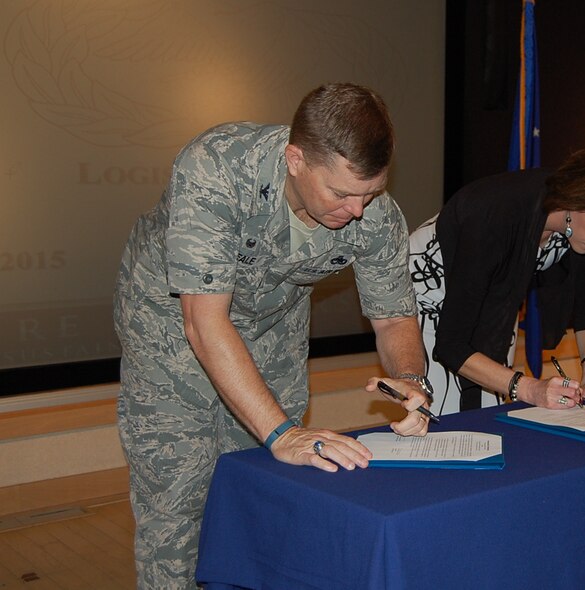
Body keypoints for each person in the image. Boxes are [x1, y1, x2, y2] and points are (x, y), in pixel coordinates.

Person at [113, 83, 432, 589]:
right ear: (295, 159)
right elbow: (204, 322)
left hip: (272, 327)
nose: (357, 210)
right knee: (178, 498)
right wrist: (283, 431)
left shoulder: (375, 217)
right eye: (344, 193)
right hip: (172, 325)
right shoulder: (216, 168)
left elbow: (394, 318)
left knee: (268, 484)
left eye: (371, 192)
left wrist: (410, 379)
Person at [409, 146, 585, 416]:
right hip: (429, 295)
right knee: (440, 413)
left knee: (489, 413)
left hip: (495, 298)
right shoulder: (496, 213)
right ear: (581, 198)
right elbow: (451, 344)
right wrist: (530, 389)